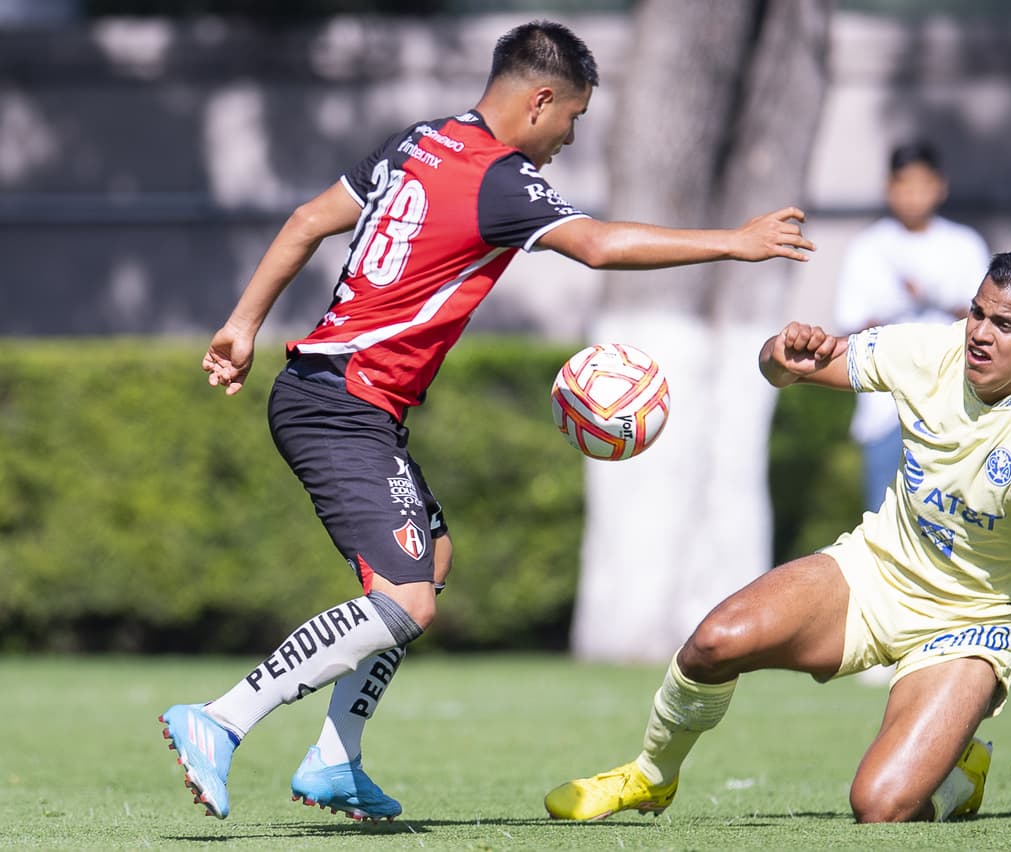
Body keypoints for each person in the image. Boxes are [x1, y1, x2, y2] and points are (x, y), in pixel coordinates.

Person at [158, 19, 813, 822]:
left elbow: (303, 221)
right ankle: (221, 721)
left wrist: (242, 325)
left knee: (431, 557)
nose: (571, 137)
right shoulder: (499, 178)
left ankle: (335, 757)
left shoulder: (419, 141)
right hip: (342, 405)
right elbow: (599, 246)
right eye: (573, 117)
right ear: (541, 100)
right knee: (407, 600)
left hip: (335, 393)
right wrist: (734, 242)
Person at [545, 250, 1011, 826]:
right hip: (875, 572)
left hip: (971, 621)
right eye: (978, 313)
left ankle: (955, 775)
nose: (981, 335)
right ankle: (651, 776)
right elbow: (784, 368)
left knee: (880, 806)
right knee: (714, 642)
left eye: (1006, 325)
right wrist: (780, 353)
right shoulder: (927, 351)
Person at [834, 140, 990, 514]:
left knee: (953, 522)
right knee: (883, 520)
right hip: (885, 410)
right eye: (904, 185)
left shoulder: (964, 245)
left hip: (955, 406)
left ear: (940, 187)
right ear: (889, 189)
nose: (913, 196)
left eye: (922, 185)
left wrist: (933, 296)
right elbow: (851, 326)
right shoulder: (868, 248)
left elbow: (985, 322)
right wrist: (902, 305)